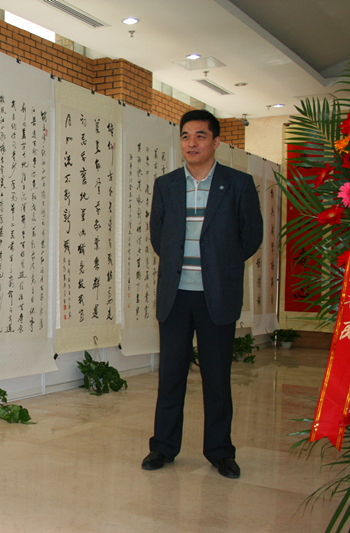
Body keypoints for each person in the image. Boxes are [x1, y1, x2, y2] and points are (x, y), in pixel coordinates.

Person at [143, 109, 263, 479]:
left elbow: (251, 236)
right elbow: (159, 237)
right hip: (176, 295)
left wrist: (219, 265)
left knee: (216, 378)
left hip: (217, 295)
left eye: (200, 136)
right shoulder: (166, 185)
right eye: (185, 136)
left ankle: (220, 452)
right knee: (171, 376)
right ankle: (163, 447)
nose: (191, 143)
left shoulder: (238, 184)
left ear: (215, 141)